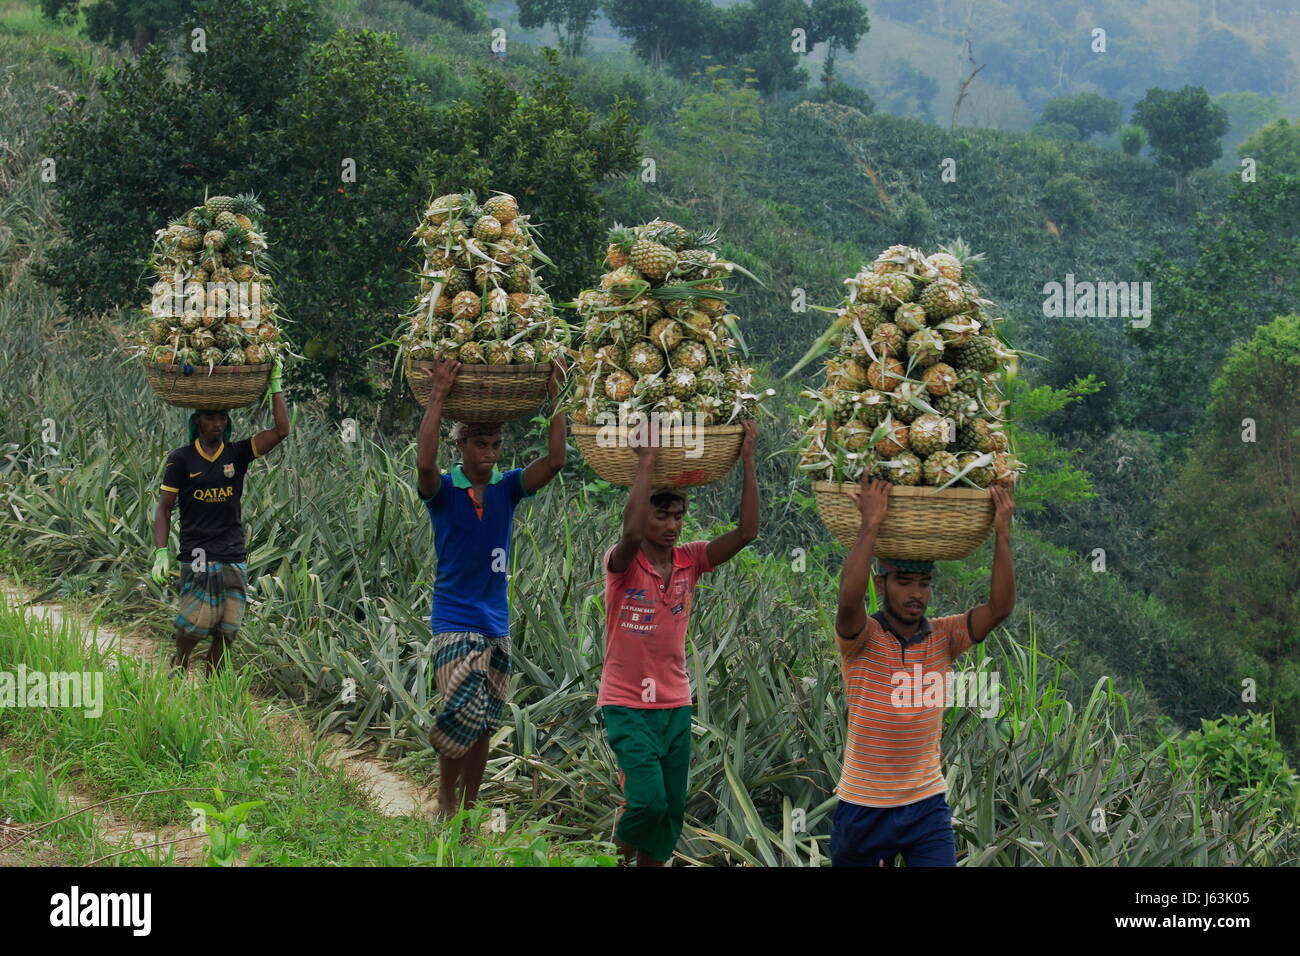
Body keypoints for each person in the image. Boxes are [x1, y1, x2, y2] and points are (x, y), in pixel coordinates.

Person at [829, 474, 1015, 867]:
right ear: (881, 583)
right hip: (864, 805)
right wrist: (871, 526)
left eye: (924, 583)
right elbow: (848, 601)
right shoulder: (863, 638)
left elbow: (999, 609)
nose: (916, 594)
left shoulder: (945, 637)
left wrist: (1002, 532)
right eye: (905, 583)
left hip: (925, 803)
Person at [600, 418, 759, 866]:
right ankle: (615, 855)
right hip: (628, 702)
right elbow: (631, 534)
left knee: (670, 809)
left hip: (674, 702)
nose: (671, 525)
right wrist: (646, 461)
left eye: (677, 516)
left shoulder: (691, 561)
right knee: (646, 802)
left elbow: (746, 534)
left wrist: (747, 461)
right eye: (660, 514)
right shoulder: (623, 564)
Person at [416, 356, 567, 819]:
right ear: (461, 444)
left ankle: (468, 805)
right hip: (453, 621)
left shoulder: (508, 489)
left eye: (497, 444)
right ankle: (445, 794)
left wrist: (558, 395)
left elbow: (557, 460)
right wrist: (439, 393)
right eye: (481, 444)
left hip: (495, 624)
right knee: (460, 710)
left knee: (483, 722)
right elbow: (423, 460)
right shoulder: (442, 491)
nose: (491, 452)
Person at [151, 362, 290, 675]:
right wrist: (161, 552)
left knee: (228, 628)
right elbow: (163, 508)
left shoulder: (237, 454)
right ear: (197, 421)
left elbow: (282, 431)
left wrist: (275, 384)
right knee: (196, 623)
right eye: (210, 417)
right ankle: (181, 662)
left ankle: (212, 680)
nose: (217, 423)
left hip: (231, 549)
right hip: (197, 550)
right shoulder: (182, 459)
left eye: (221, 418)